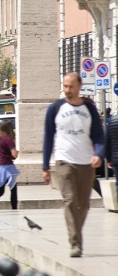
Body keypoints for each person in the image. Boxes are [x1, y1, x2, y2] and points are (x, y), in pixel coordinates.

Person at [42, 72, 104, 257]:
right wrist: (45, 166)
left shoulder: (89, 109)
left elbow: (99, 136)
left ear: (79, 87)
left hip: (86, 162)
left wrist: (98, 154)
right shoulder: (55, 108)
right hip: (63, 161)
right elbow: (48, 137)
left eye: (71, 86)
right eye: (65, 86)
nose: (67, 90)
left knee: (83, 204)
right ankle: (75, 243)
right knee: (69, 200)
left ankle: (76, 234)